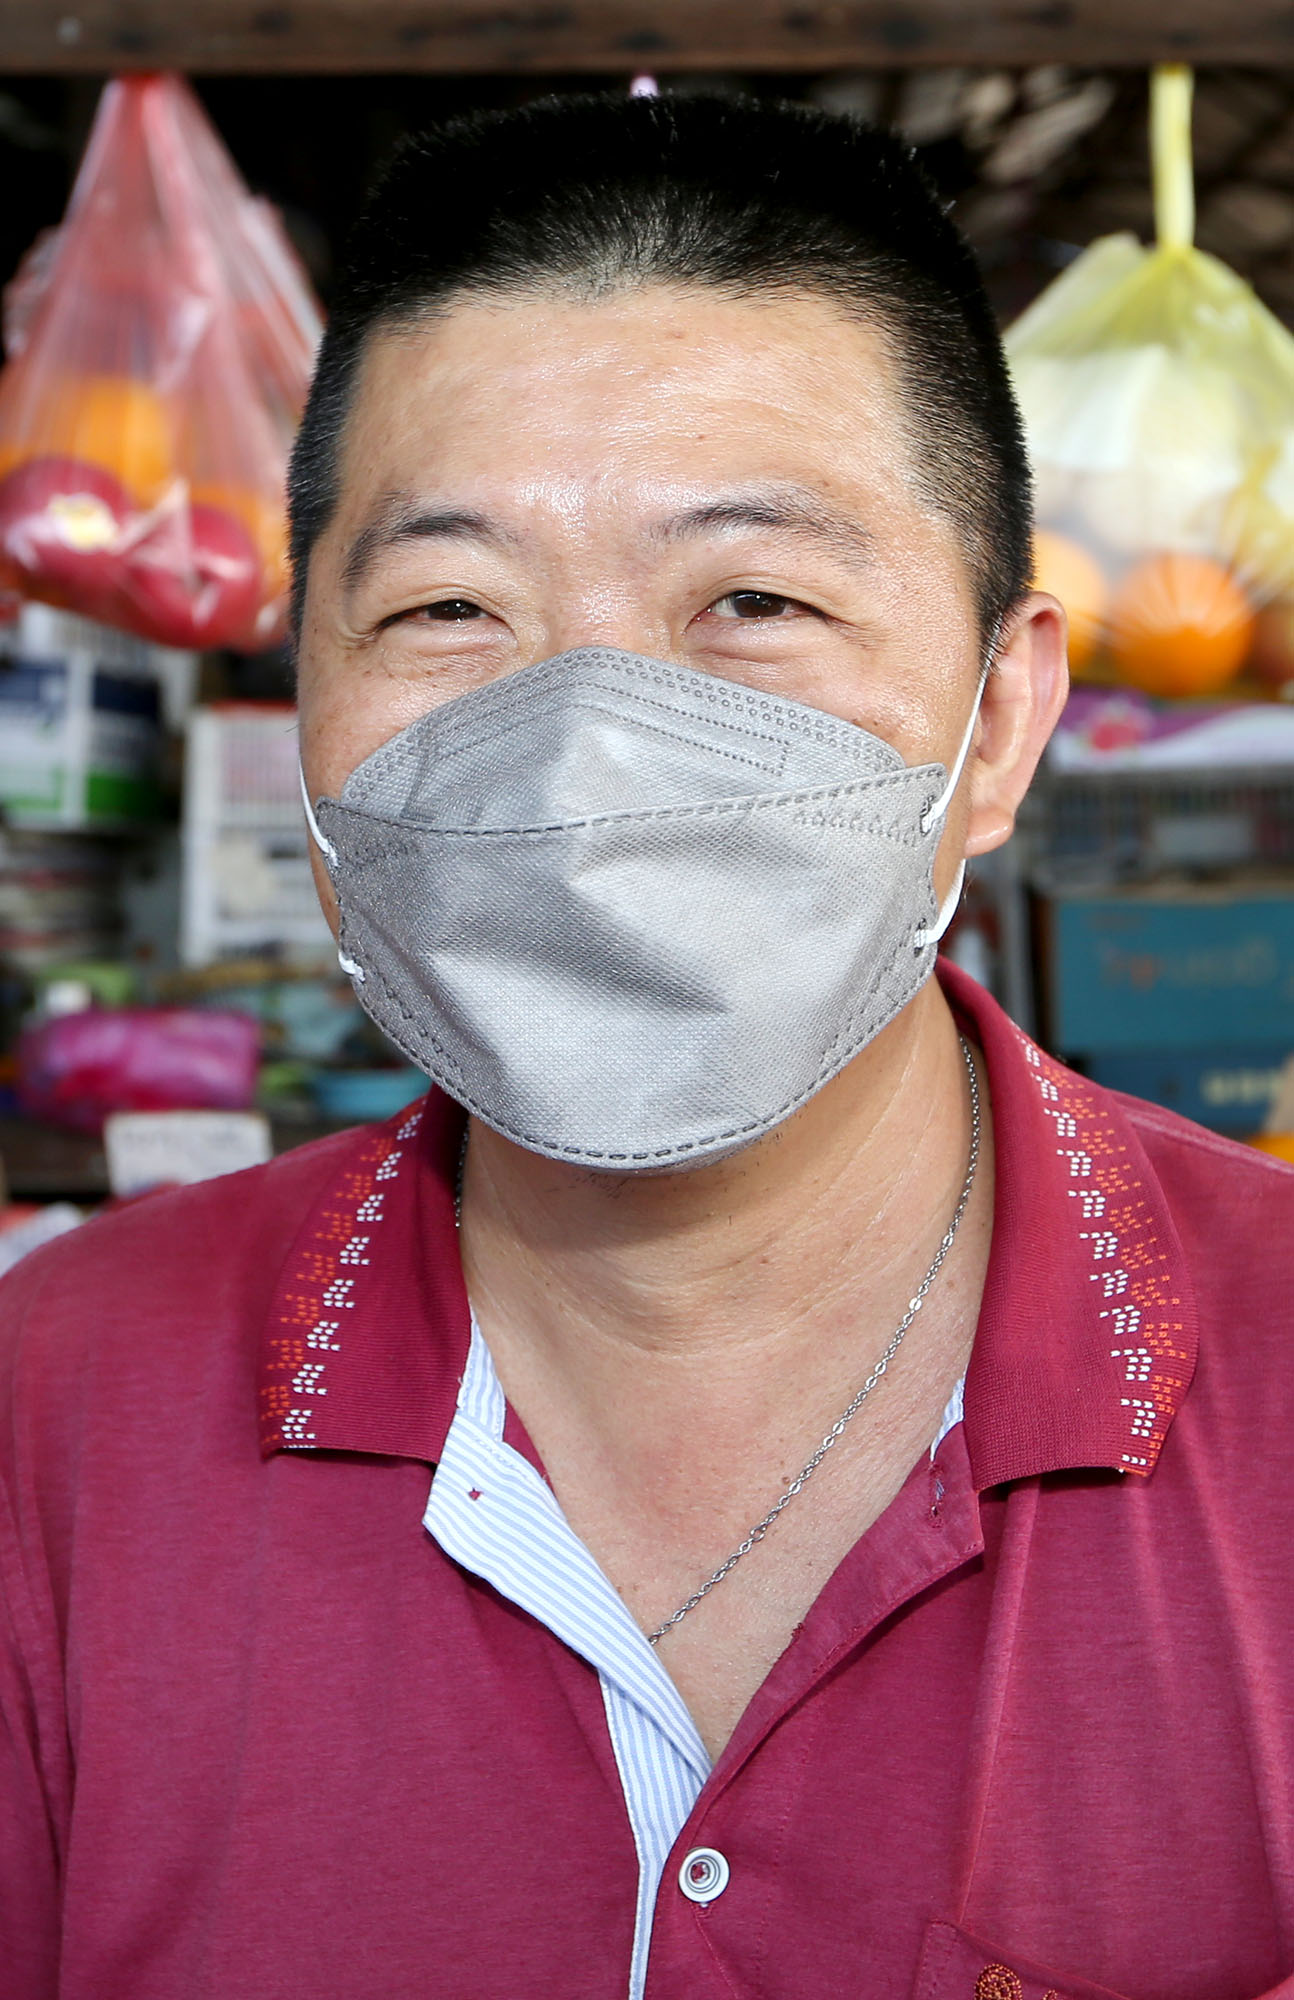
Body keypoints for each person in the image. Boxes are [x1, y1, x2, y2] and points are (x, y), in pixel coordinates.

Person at [4, 90, 1294, 2000]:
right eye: (448, 607)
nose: (585, 758)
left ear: (1002, 721)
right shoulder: (50, 1409)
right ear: (305, 706)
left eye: (753, 600)